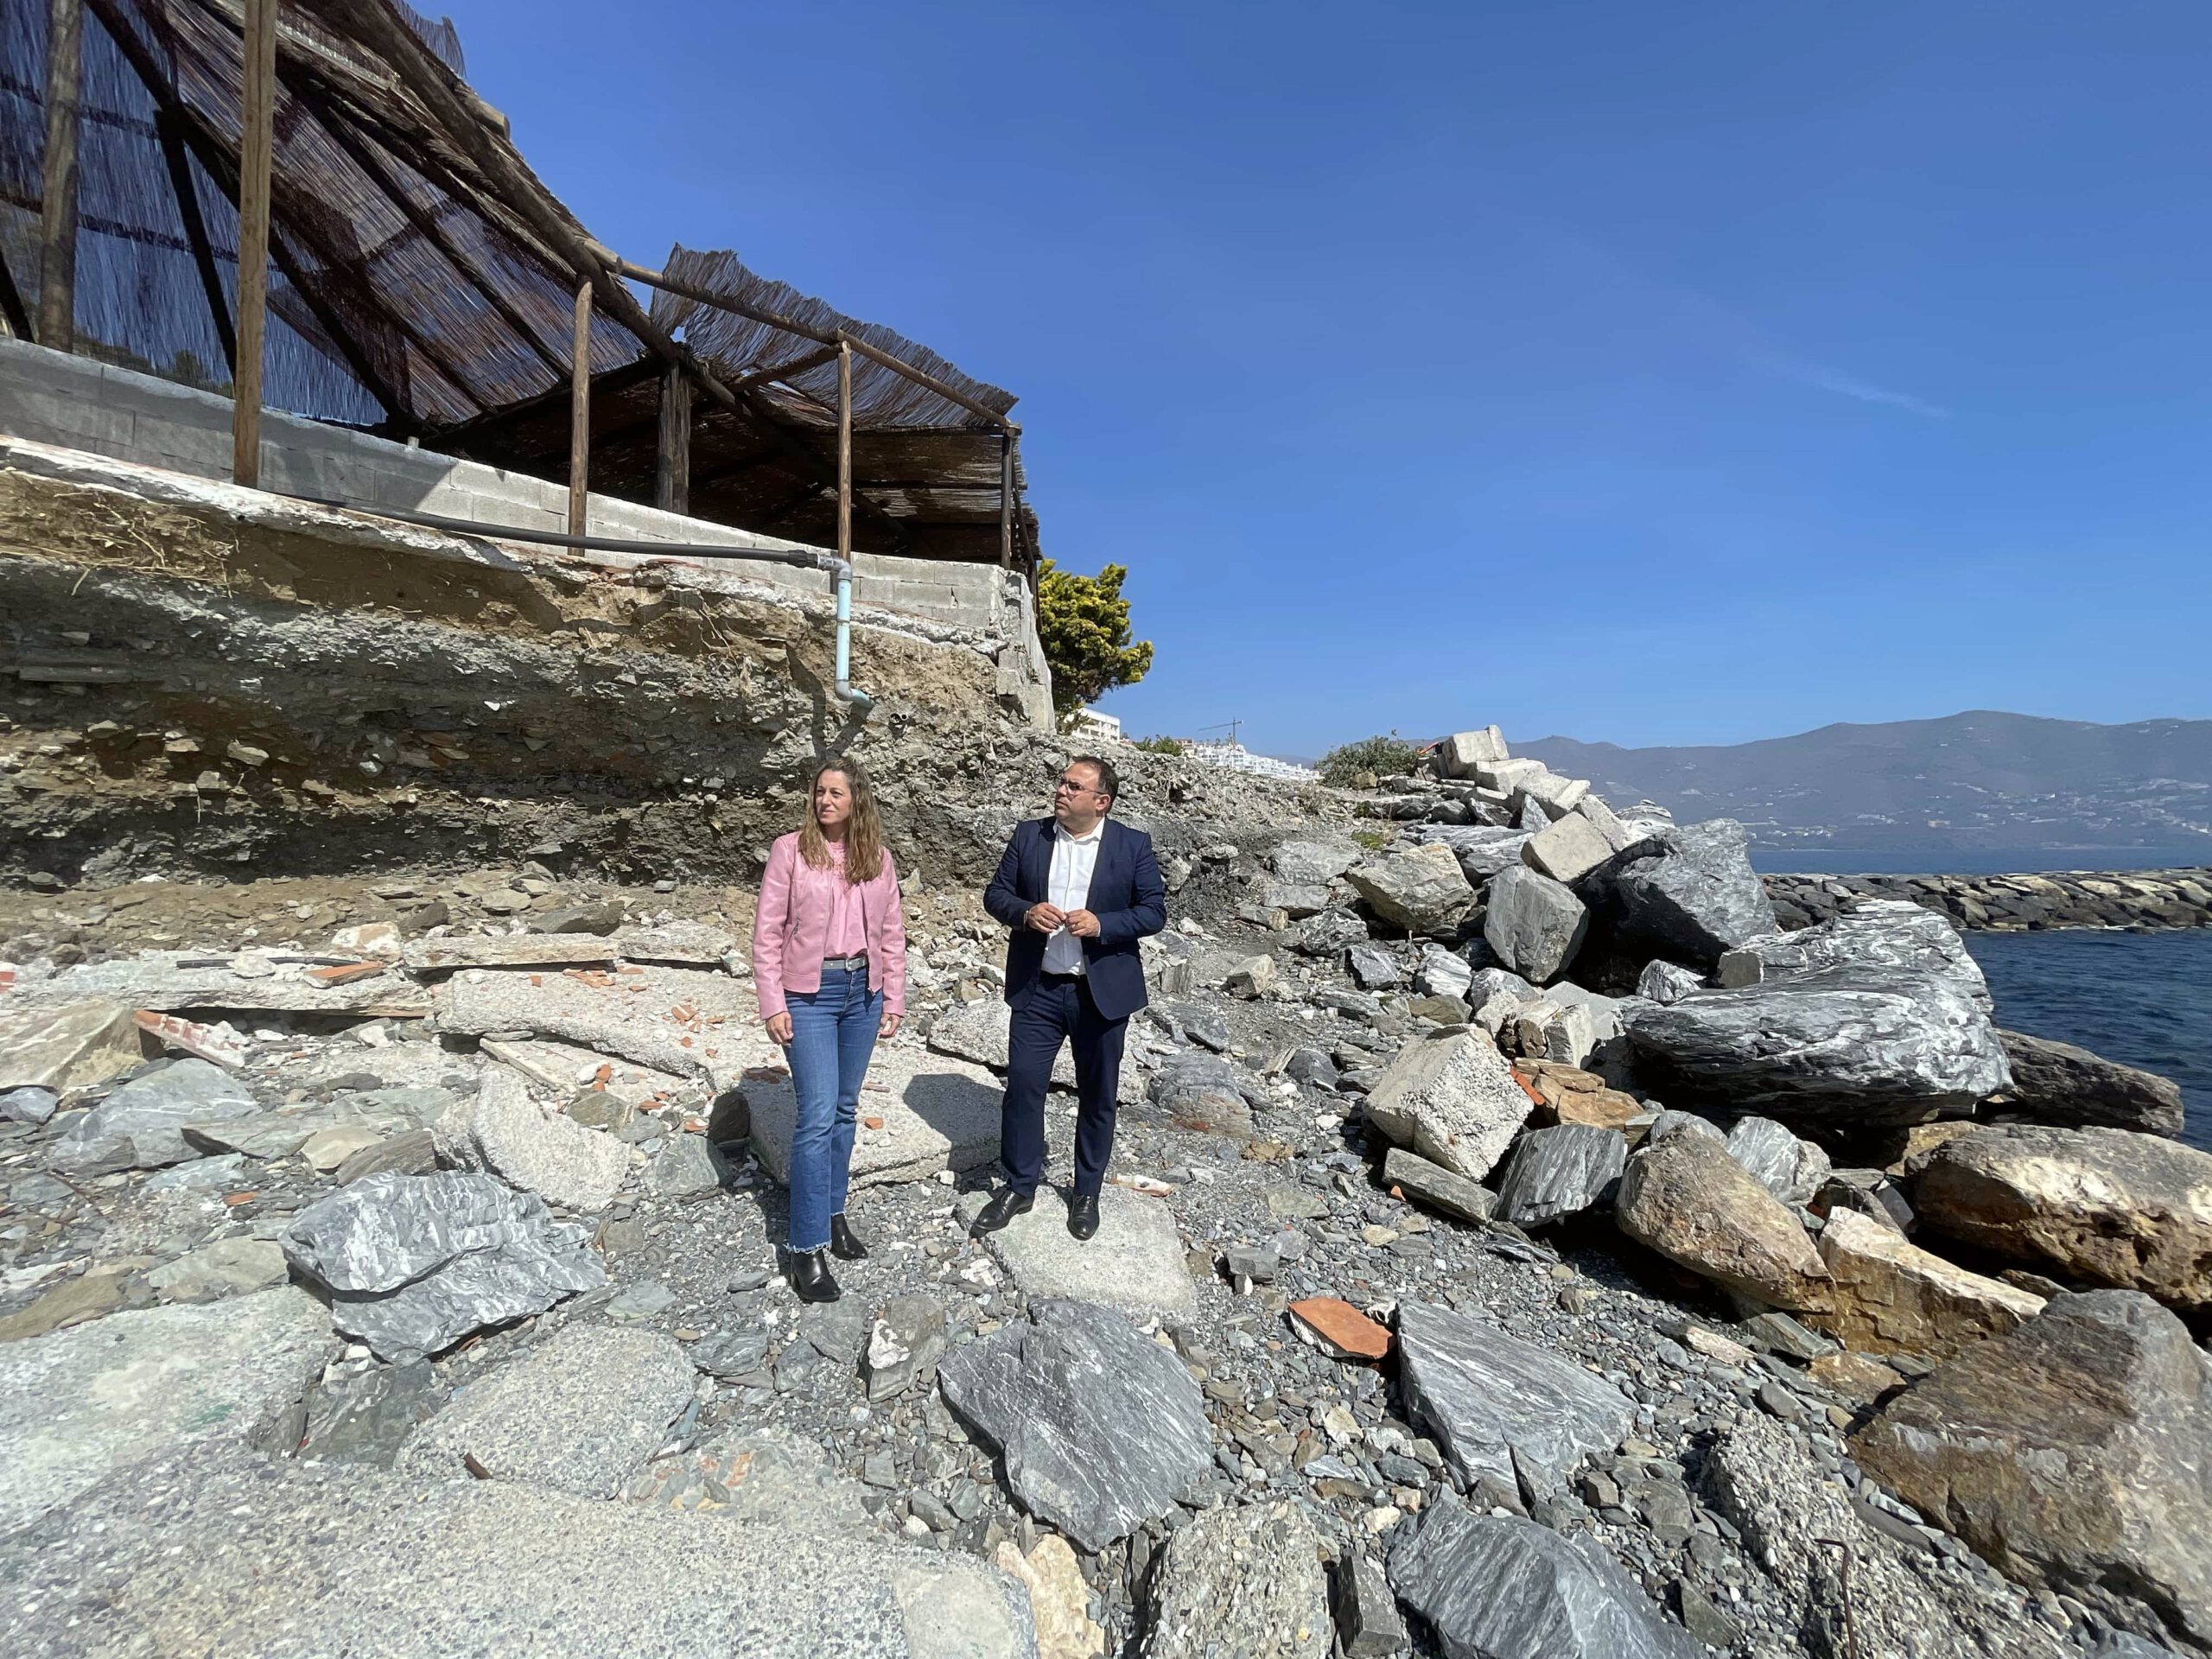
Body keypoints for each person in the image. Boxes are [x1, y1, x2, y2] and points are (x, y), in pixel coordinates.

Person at [974, 755, 1166, 1241]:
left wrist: (1103, 924)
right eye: (1061, 783)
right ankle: (1020, 1186)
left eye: (1073, 786)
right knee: (1023, 1088)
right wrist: (1024, 913)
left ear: (1102, 801)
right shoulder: (1029, 836)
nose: (1061, 791)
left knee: (1097, 1096)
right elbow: (996, 895)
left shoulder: (1132, 845)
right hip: (1037, 988)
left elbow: (1153, 912)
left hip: (1099, 994)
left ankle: (1086, 1193)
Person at [751, 755, 906, 1302]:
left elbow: (892, 932)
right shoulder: (790, 850)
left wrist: (894, 997)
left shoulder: (877, 857)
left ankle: (834, 1213)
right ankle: (806, 1247)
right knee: (816, 1116)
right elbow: (767, 932)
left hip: (863, 992)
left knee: (843, 1110)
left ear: (857, 799)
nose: (825, 801)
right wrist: (772, 1002)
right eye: (820, 792)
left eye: (836, 793)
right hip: (809, 995)